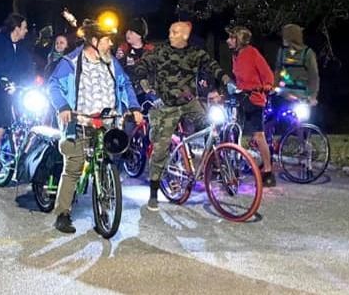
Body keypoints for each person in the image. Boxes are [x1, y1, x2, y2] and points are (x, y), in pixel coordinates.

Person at [48, 20, 143, 233]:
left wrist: (134, 106)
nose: (111, 44)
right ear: (93, 41)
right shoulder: (71, 61)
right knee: (74, 165)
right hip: (80, 121)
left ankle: (103, 206)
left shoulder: (111, 62)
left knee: (107, 159)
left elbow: (125, 83)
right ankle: (62, 214)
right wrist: (62, 106)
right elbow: (53, 85)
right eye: (107, 40)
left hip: (107, 122)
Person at [136, 21, 233, 211]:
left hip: (189, 103)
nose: (170, 34)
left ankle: (218, 165)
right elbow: (142, 65)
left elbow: (212, 65)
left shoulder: (195, 53)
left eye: (175, 32)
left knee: (212, 126)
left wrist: (226, 80)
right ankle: (154, 192)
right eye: (170, 31)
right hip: (167, 106)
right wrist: (143, 81)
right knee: (161, 148)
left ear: (185, 36)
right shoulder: (160, 51)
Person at [0, 13, 32, 193]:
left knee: (30, 121)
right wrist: (2, 81)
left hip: (16, 92)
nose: (26, 31)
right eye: (24, 27)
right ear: (16, 27)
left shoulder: (22, 47)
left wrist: (36, 81)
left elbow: (28, 67)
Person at [227, 25, 277, 187]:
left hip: (254, 98)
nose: (228, 41)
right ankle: (233, 167)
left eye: (231, 38)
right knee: (233, 131)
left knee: (257, 135)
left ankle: (268, 172)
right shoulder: (236, 55)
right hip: (241, 98)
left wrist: (268, 84)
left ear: (239, 40)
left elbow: (267, 73)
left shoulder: (252, 53)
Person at [273, 24, 320, 107]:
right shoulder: (282, 51)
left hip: (302, 97)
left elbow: (313, 76)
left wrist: (313, 96)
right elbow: (278, 69)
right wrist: (274, 86)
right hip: (283, 95)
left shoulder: (308, 53)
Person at [115, 17, 155, 98]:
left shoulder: (151, 49)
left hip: (148, 90)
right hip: (129, 91)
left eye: (131, 32)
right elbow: (118, 70)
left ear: (140, 35)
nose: (127, 34)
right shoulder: (123, 48)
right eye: (127, 31)